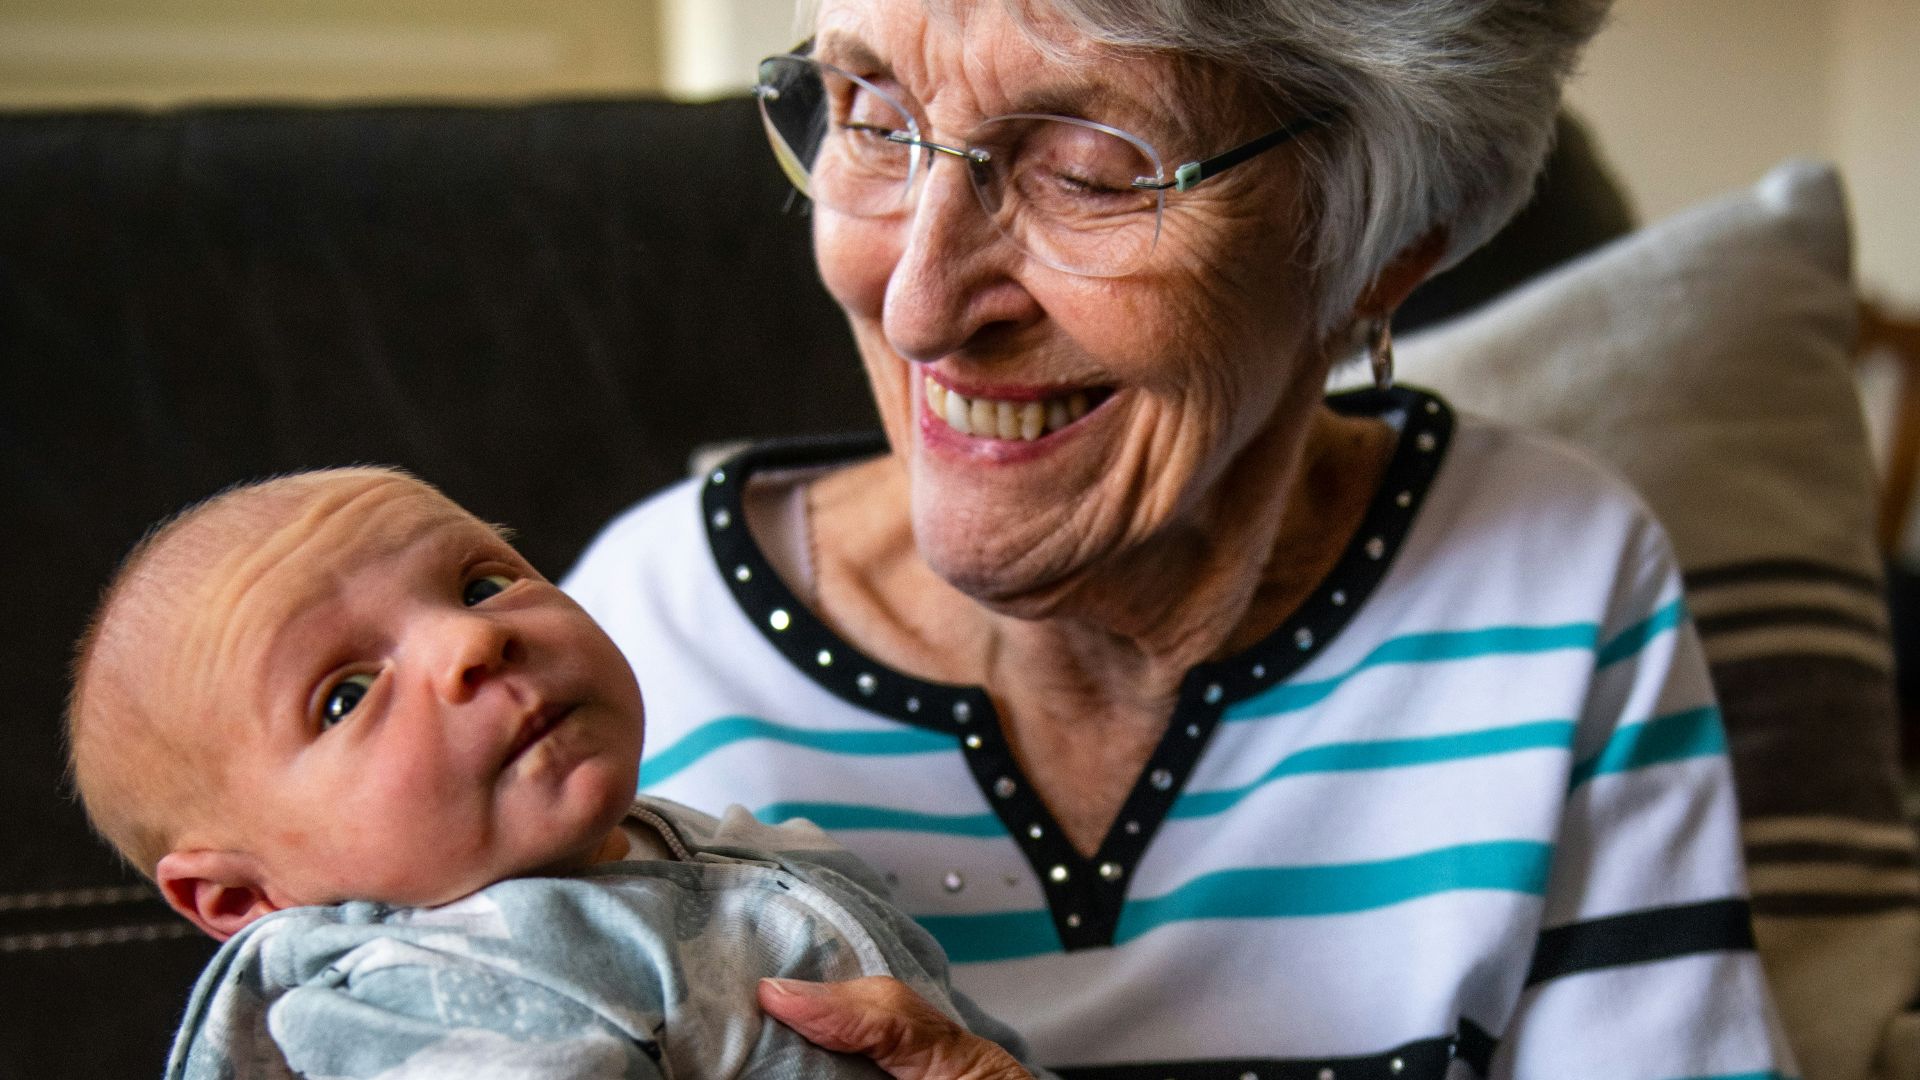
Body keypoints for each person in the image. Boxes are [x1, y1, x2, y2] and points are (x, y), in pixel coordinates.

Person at [562, 0, 1799, 1077]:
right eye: (875, 118)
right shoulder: (616, 657)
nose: (918, 305)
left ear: (1381, 253)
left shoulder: (1547, 584)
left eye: (1089, 171)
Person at [65, 467, 1030, 1080]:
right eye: (345, 697)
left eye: (483, 583)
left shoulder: (729, 850)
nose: (470, 641)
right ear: (240, 898)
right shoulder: (418, 999)